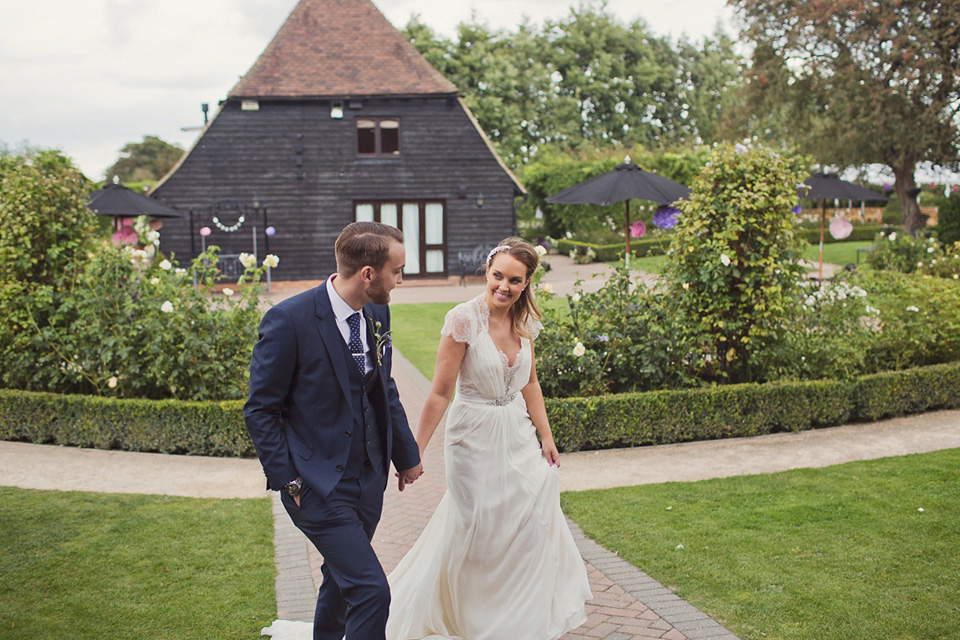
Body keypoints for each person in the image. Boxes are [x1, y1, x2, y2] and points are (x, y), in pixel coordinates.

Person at [385, 237, 592, 640]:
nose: (504, 287)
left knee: (524, 523)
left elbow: (530, 382)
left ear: (527, 282)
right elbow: (440, 392)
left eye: (515, 280)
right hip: (471, 436)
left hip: (517, 433)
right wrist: (414, 451)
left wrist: (546, 436)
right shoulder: (463, 319)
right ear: (487, 271)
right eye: (498, 276)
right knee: (476, 525)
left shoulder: (525, 322)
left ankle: (512, 617)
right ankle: (468, 618)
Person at [245, 221, 423, 640]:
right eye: (396, 271)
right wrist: (288, 479)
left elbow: (385, 387)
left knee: (341, 584)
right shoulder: (289, 320)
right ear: (367, 274)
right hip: (316, 484)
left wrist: (406, 455)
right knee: (371, 591)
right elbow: (260, 410)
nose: (400, 280)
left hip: (367, 479)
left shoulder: (376, 311)